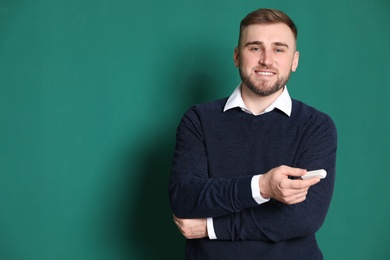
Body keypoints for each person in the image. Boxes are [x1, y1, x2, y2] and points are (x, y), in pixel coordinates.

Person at [169, 8, 337, 260]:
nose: (267, 60)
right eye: (255, 48)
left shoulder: (316, 126)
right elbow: (185, 198)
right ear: (237, 56)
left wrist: (211, 227)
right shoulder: (199, 119)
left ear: (294, 60)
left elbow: (304, 218)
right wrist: (262, 186)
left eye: (279, 49)